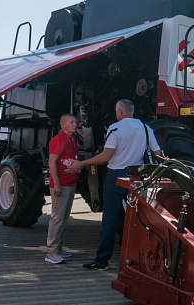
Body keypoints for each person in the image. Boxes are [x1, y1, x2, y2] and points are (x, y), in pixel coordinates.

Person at [67, 99, 160, 270]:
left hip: (116, 176)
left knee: (110, 220)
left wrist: (81, 164)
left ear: (120, 112)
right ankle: (140, 259)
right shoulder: (146, 129)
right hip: (136, 177)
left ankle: (102, 261)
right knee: (139, 219)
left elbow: (105, 157)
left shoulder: (115, 128)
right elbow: (158, 153)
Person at [45, 113, 79, 264]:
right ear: (63, 124)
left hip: (70, 184)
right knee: (57, 218)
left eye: (75, 122)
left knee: (63, 218)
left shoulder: (71, 139)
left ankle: (57, 249)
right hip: (62, 185)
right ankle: (51, 252)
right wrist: (56, 184)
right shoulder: (59, 140)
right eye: (71, 122)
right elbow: (52, 162)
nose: (75, 124)